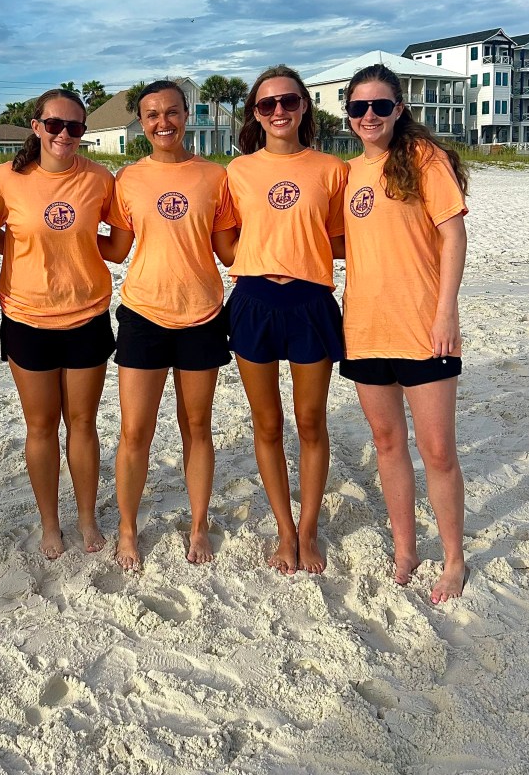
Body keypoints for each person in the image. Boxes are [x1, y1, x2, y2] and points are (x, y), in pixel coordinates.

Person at [340, 62, 468, 605]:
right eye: (359, 107)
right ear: (348, 114)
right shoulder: (347, 173)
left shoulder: (423, 158)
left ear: (399, 109)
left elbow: (453, 234)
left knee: (437, 450)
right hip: (365, 327)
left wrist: (446, 311)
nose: (369, 115)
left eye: (380, 105)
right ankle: (405, 549)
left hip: (422, 327)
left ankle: (454, 559)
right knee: (388, 443)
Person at [101, 80, 237, 570]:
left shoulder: (215, 176)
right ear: (141, 122)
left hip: (202, 314)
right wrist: (56, 236)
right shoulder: (127, 179)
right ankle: (127, 528)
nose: (164, 122)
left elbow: (228, 251)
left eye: (172, 112)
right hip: (143, 314)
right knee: (134, 431)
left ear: (186, 114)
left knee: (197, 426)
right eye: (153, 114)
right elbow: (117, 249)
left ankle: (198, 525)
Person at [224, 65, 347, 575]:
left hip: (310, 302)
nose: (279, 110)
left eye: (289, 101)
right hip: (253, 300)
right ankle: (284, 529)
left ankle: (309, 528)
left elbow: (340, 240)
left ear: (304, 107)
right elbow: (226, 239)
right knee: (267, 422)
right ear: (255, 113)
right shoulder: (237, 172)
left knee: (311, 421)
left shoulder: (332, 169)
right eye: (267, 104)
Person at [0, 89, 115, 559]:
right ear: (36, 126)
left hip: (87, 314)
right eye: (55, 124)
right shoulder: (6, 179)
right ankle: (50, 522)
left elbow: (118, 240)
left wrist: (77, 249)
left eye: (74, 127)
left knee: (83, 423)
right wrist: (23, 248)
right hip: (27, 316)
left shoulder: (99, 178)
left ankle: (86, 517)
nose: (64, 134)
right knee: (40, 427)